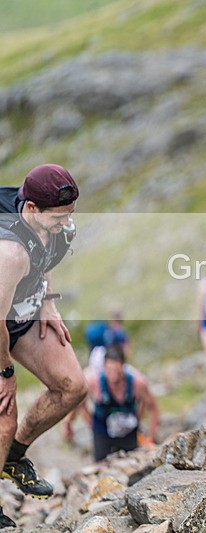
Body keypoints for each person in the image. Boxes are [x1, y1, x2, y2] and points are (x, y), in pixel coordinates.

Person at [0, 164, 88, 527]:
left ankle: (13, 458)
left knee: (73, 387)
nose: (67, 222)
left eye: (70, 213)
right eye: (59, 216)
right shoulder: (10, 253)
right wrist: (6, 372)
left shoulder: (56, 223)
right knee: (5, 417)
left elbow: (47, 254)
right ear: (32, 208)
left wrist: (48, 302)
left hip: (24, 313)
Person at [64, 343, 159, 462]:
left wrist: (150, 436)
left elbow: (153, 407)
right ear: (104, 366)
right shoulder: (93, 381)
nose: (113, 376)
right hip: (102, 432)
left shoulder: (137, 382)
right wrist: (70, 423)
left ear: (123, 366)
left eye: (117, 371)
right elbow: (78, 403)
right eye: (109, 370)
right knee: (100, 466)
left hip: (128, 432)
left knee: (132, 465)